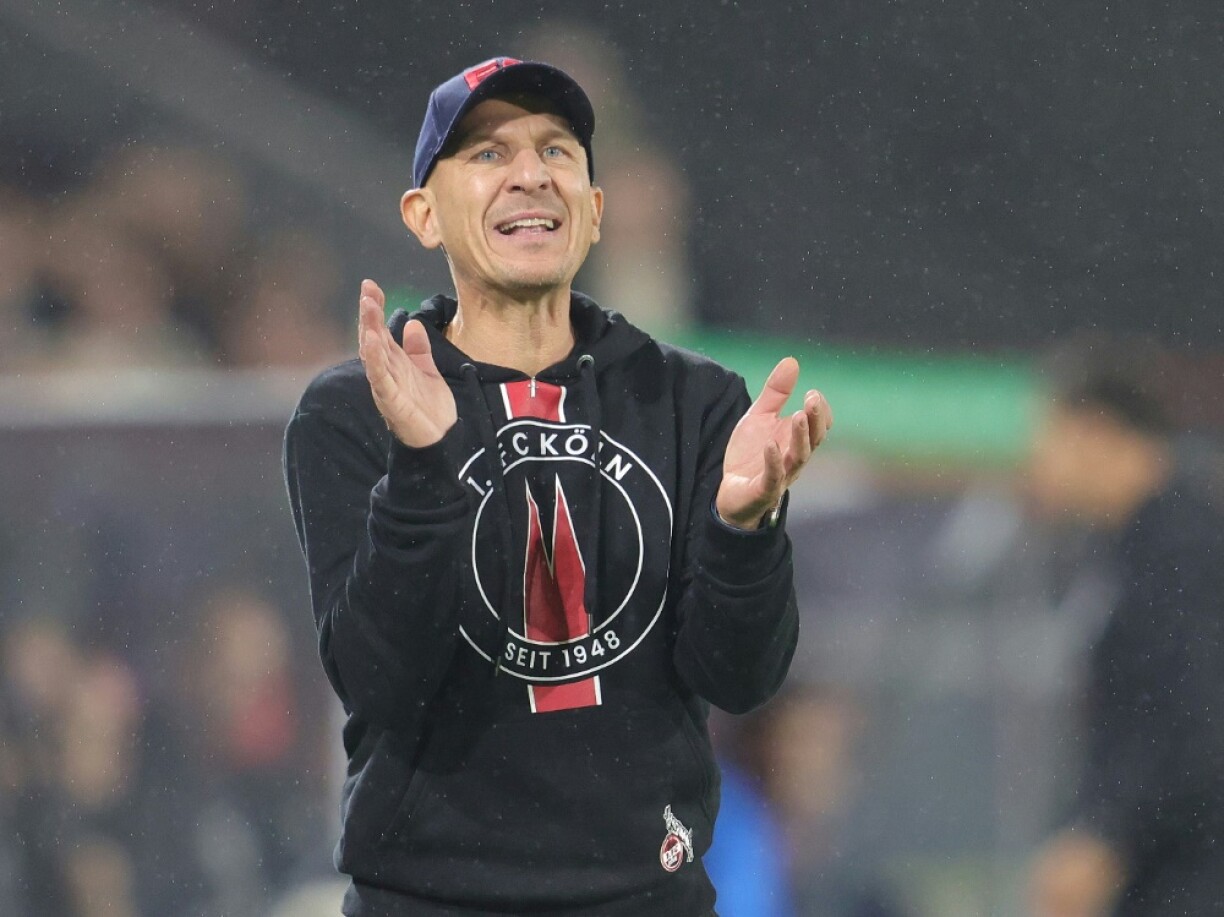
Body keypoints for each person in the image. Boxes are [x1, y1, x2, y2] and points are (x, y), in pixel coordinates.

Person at [283, 57, 832, 915]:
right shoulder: (357, 408)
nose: (530, 174)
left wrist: (744, 529)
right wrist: (422, 466)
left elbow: (741, 678)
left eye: (556, 151)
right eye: (487, 153)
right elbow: (382, 679)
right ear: (423, 215)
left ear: (595, 209)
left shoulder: (693, 401)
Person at [1022, 341, 1224, 917]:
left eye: (1049, 435)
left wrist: (1107, 835)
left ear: (1095, 432)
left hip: (1190, 871)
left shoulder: (1186, 548)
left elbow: (1194, 714)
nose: (1036, 459)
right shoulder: (1130, 549)